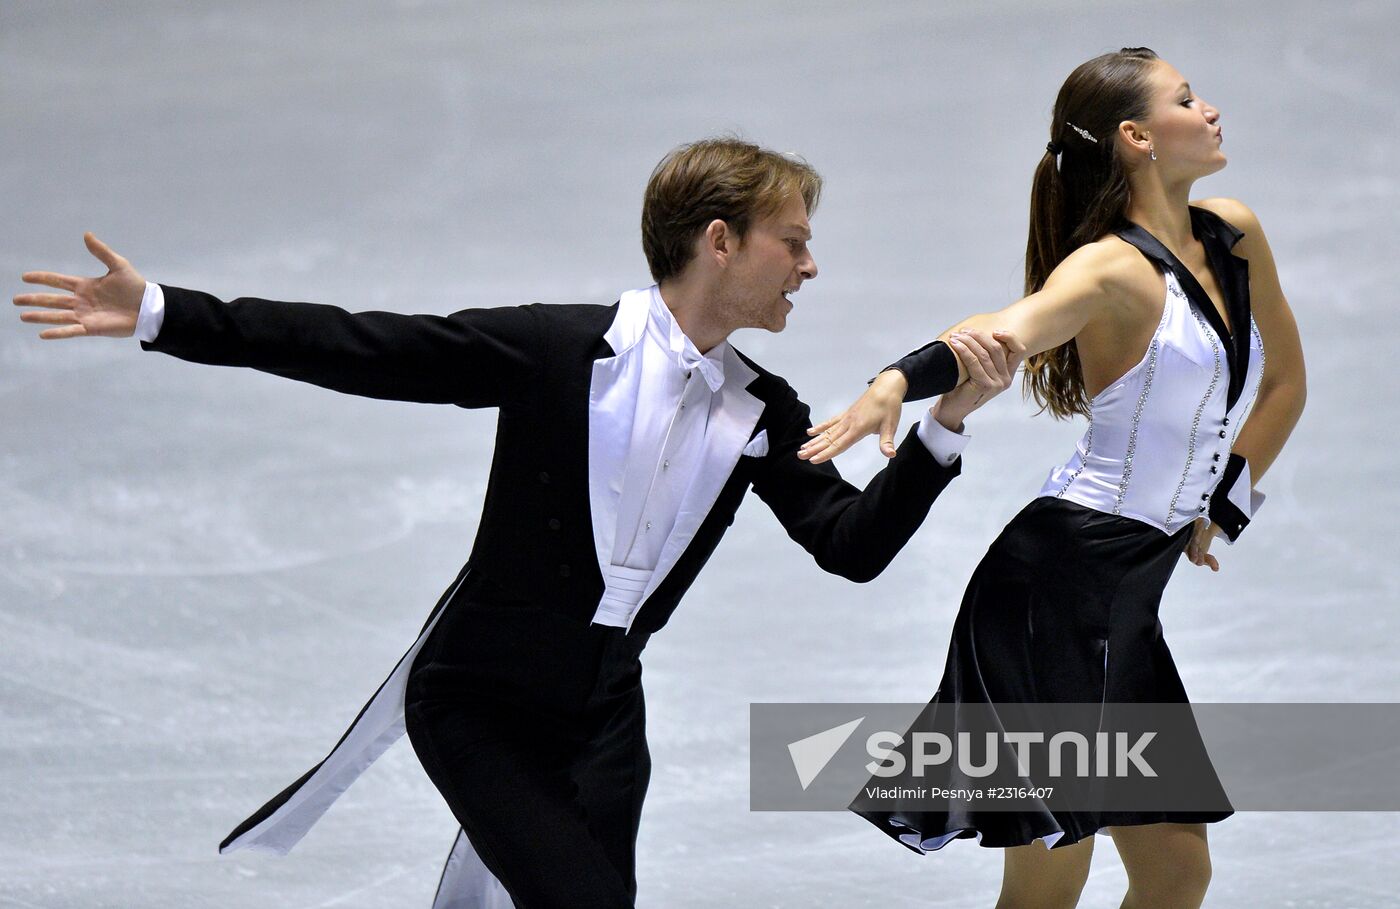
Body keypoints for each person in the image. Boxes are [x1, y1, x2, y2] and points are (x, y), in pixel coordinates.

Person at [14, 138, 1022, 909]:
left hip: (602, 718)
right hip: (478, 703)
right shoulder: (551, 350)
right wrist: (163, 314)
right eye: (791, 241)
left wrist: (943, 429)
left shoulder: (763, 409)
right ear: (720, 242)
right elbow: (364, 349)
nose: (808, 266)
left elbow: (847, 548)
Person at [798, 49, 1306, 908]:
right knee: (1047, 881)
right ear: (1137, 137)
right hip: (1051, 591)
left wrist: (1223, 505)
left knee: (1178, 871)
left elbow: (1285, 384)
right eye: (1187, 99)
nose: (1210, 108)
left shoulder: (1235, 231)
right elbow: (1000, 331)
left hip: (1125, 596)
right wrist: (894, 378)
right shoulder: (1108, 269)